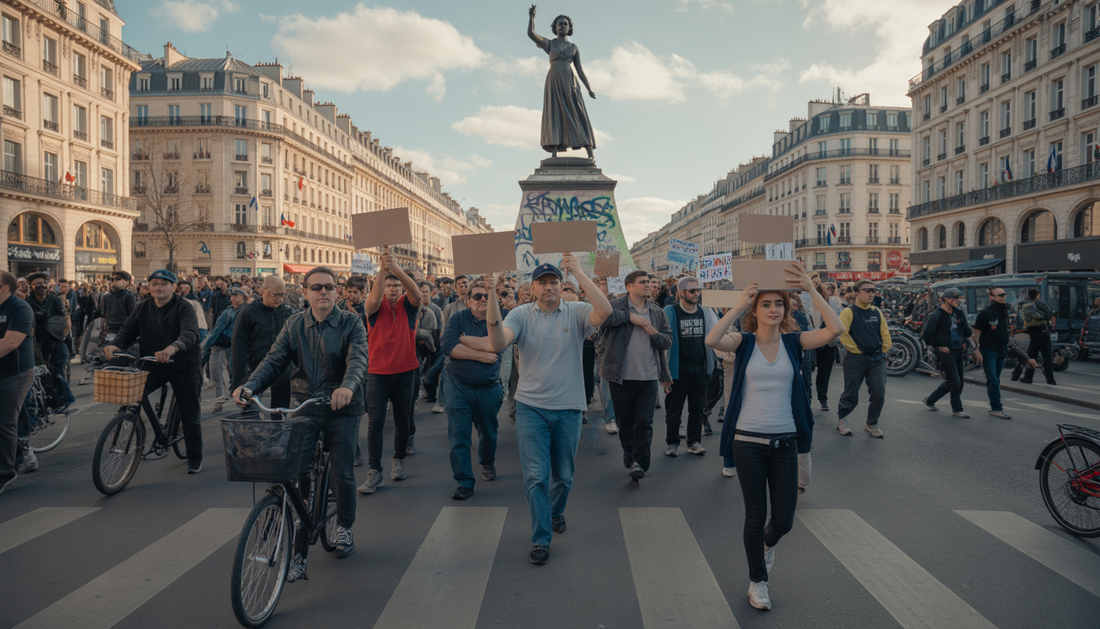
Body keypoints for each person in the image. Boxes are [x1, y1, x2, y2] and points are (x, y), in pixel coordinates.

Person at [705, 262, 844, 611]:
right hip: (748, 442)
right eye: (765, 304)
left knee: (783, 520)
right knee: (755, 516)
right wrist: (737, 305)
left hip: (785, 442)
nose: (772, 309)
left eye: (778, 304)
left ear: (786, 309)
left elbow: (836, 329)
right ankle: (758, 581)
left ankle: (765, 548)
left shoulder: (795, 342)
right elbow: (712, 339)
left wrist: (811, 290)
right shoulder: (744, 341)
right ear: (755, 310)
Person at [234, 266, 368, 565]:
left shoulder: (351, 323)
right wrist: (250, 386)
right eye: (317, 287)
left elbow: (358, 359)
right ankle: (298, 528)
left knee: (342, 473)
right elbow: (274, 360)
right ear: (304, 292)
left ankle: (345, 527)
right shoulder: (294, 323)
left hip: (342, 407)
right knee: (295, 471)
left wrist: (347, 386)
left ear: (338, 291)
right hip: (304, 404)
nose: (323, 292)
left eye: (329, 287)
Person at [486, 255, 612, 565]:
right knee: (535, 477)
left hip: (569, 408)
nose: (549, 287)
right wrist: (491, 295)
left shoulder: (577, 311)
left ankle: (555, 510)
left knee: (564, 476)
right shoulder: (520, 314)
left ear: (560, 286)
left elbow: (605, 312)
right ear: (533, 288)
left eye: (554, 282)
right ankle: (541, 537)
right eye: (542, 283)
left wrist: (580, 274)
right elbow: (499, 341)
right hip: (531, 409)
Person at [103, 270, 204, 473]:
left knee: (189, 413)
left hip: (183, 365)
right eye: (154, 283)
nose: (158, 287)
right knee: (134, 395)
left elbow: (190, 332)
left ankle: (195, 458)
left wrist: (173, 347)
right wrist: (115, 345)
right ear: (149, 287)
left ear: (173, 287)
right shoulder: (142, 308)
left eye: (163, 284)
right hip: (154, 363)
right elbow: (128, 330)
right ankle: (139, 424)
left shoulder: (183, 306)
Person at [358, 247, 422, 494]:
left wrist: (394, 268)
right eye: (389, 286)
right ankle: (374, 471)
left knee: (402, 420)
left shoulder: (409, 305)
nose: (393, 289)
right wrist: (383, 272)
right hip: (377, 373)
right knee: (374, 422)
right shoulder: (374, 306)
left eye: (397, 286)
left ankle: (398, 460)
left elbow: (416, 292)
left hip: (406, 372)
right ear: (383, 287)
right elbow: (372, 301)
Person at [596, 270, 672, 481]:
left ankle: (640, 462)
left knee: (644, 422)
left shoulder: (657, 312)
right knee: (625, 423)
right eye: (642, 282)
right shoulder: (616, 305)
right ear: (629, 286)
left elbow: (667, 340)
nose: (648, 285)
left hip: (648, 377)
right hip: (621, 376)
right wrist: (631, 317)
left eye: (649, 282)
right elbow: (603, 320)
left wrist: (654, 334)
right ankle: (629, 453)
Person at [439, 277, 505, 500]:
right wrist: (481, 355)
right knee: (459, 435)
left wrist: (465, 341)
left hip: (489, 388)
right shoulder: (458, 318)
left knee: (488, 433)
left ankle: (487, 462)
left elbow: (496, 346)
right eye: (478, 296)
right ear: (468, 301)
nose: (483, 299)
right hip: (457, 386)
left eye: (487, 295)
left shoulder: (498, 318)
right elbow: (448, 345)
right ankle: (464, 481)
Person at [527, 6, 597, 160]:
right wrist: (532, 17)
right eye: (560, 24)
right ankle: (554, 150)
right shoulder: (550, 44)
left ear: (570, 27)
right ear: (555, 28)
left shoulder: (573, 47)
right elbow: (531, 34)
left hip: (570, 81)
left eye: (565, 23)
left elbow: (580, 70)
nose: (563, 26)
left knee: (579, 113)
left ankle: (590, 152)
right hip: (554, 80)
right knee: (555, 112)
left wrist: (589, 89)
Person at [663, 276, 720, 456]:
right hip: (678, 369)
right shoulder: (670, 311)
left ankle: (694, 442)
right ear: (681, 293)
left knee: (697, 409)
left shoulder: (705, 311)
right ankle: (672, 443)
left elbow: (716, 334)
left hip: (700, 369)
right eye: (692, 291)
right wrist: (664, 373)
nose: (696, 294)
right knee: (674, 409)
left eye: (698, 290)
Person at [836, 279, 891, 437]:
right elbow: (843, 334)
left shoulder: (876, 312)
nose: (871, 293)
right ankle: (842, 419)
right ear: (856, 293)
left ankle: (871, 423)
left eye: (873, 290)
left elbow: (885, 333)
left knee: (879, 392)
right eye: (867, 290)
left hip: (876, 359)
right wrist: (857, 350)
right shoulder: (849, 312)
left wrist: (884, 351)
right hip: (856, 359)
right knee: (851, 393)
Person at [231, 276, 294, 410]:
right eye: (276, 295)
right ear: (263, 291)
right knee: (250, 411)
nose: (280, 299)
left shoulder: (288, 312)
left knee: (280, 411)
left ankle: (278, 429)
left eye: (283, 295)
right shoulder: (249, 312)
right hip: (254, 369)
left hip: (281, 369)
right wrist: (238, 380)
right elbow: (238, 347)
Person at [973, 287, 1036, 419]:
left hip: (1001, 351)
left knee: (995, 380)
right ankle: (996, 408)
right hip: (988, 351)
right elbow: (976, 334)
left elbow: (1008, 338)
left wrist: (1026, 358)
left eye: (1005, 295)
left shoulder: (1005, 313)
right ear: (992, 297)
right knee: (993, 380)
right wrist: (976, 350)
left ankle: (995, 407)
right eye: (1001, 295)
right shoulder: (985, 313)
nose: (1004, 297)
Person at [0, 271, 36, 494]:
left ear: (4, 288)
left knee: (4, 421)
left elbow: (10, 343)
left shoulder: (19, 307)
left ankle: (5, 471)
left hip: (16, 372)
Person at [921, 288, 979, 418]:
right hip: (946, 353)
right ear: (946, 299)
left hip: (959, 350)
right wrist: (939, 346)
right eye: (955, 299)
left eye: (959, 298)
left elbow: (966, 331)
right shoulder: (936, 315)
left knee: (956, 382)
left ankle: (930, 400)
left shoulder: (958, 313)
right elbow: (926, 335)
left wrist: (975, 350)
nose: (958, 301)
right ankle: (957, 409)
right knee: (955, 383)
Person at [26, 273, 75, 413]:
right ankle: (43, 402)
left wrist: (58, 330)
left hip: (55, 342)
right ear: (31, 286)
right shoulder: (28, 302)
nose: (41, 285)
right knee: (40, 375)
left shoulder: (54, 300)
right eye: (37, 283)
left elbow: (62, 319)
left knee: (57, 371)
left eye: (44, 282)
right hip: (37, 344)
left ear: (48, 285)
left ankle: (61, 401)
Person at [204, 288, 246, 413]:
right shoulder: (228, 311)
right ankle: (219, 401)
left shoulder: (246, 311)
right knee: (216, 374)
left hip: (235, 346)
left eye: (236, 296)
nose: (233, 298)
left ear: (243, 298)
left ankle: (241, 400)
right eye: (232, 296)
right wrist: (207, 345)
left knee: (236, 375)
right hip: (219, 345)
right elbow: (216, 330)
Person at [814, 280, 845, 411]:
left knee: (824, 373)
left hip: (828, 344)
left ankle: (823, 399)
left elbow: (841, 313)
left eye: (830, 289)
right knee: (807, 372)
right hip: (813, 342)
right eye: (826, 289)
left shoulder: (833, 303)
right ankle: (809, 397)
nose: (829, 291)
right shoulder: (813, 304)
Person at [1014, 287, 1056, 385]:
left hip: (1035, 333)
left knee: (1030, 356)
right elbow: (1049, 315)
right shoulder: (1042, 303)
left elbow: (1025, 319)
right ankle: (1050, 379)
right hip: (1045, 332)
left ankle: (1025, 377)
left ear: (1028, 295)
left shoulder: (1027, 305)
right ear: (1038, 295)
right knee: (1047, 357)